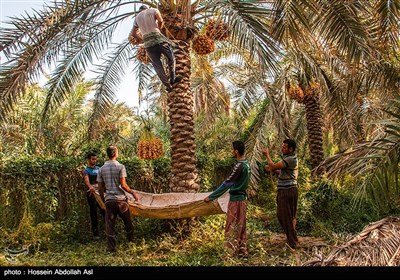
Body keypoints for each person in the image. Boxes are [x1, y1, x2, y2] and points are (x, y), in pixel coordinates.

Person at [204, 140, 250, 258]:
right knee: (241, 224)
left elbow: (227, 183)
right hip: (243, 199)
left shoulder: (239, 166)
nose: (231, 151)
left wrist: (211, 197)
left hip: (235, 200)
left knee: (231, 224)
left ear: (236, 151)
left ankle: (229, 252)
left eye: (232, 149)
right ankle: (242, 250)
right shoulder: (246, 164)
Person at [97, 145, 139, 253]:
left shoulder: (101, 169)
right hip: (121, 201)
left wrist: (103, 199)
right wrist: (133, 193)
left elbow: (100, 187)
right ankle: (131, 242)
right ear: (115, 154)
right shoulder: (120, 167)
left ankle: (111, 248)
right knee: (128, 222)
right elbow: (123, 185)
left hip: (109, 201)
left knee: (110, 225)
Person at [132, 5, 182, 91]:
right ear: (146, 8)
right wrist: (159, 28)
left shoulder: (137, 18)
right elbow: (160, 20)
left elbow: (133, 33)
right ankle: (173, 79)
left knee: (157, 66)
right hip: (159, 40)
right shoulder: (153, 10)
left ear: (140, 11)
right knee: (171, 58)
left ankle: (167, 86)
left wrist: (143, 39)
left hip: (148, 45)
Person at [262, 139, 299, 249]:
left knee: (283, 215)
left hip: (287, 191)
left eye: (284, 147)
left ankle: (292, 241)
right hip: (289, 189)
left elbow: (273, 166)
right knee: (290, 215)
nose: (282, 149)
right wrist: (273, 170)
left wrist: (267, 155)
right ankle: (293, 238)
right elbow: (282, 172)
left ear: (291, 149)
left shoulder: (291, 159)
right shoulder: (289, 159)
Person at [82, 151, 105, 240]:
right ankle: (96, 234)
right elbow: (86, 180)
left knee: (105, 211)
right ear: (88, 160)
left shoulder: (99, 169)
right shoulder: (86, 171)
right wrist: (90, 187)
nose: (94, 161)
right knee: (93, 212)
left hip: (101, 193)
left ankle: (109, 231)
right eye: (92, 159)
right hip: (91, 194)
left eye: (95, 159)